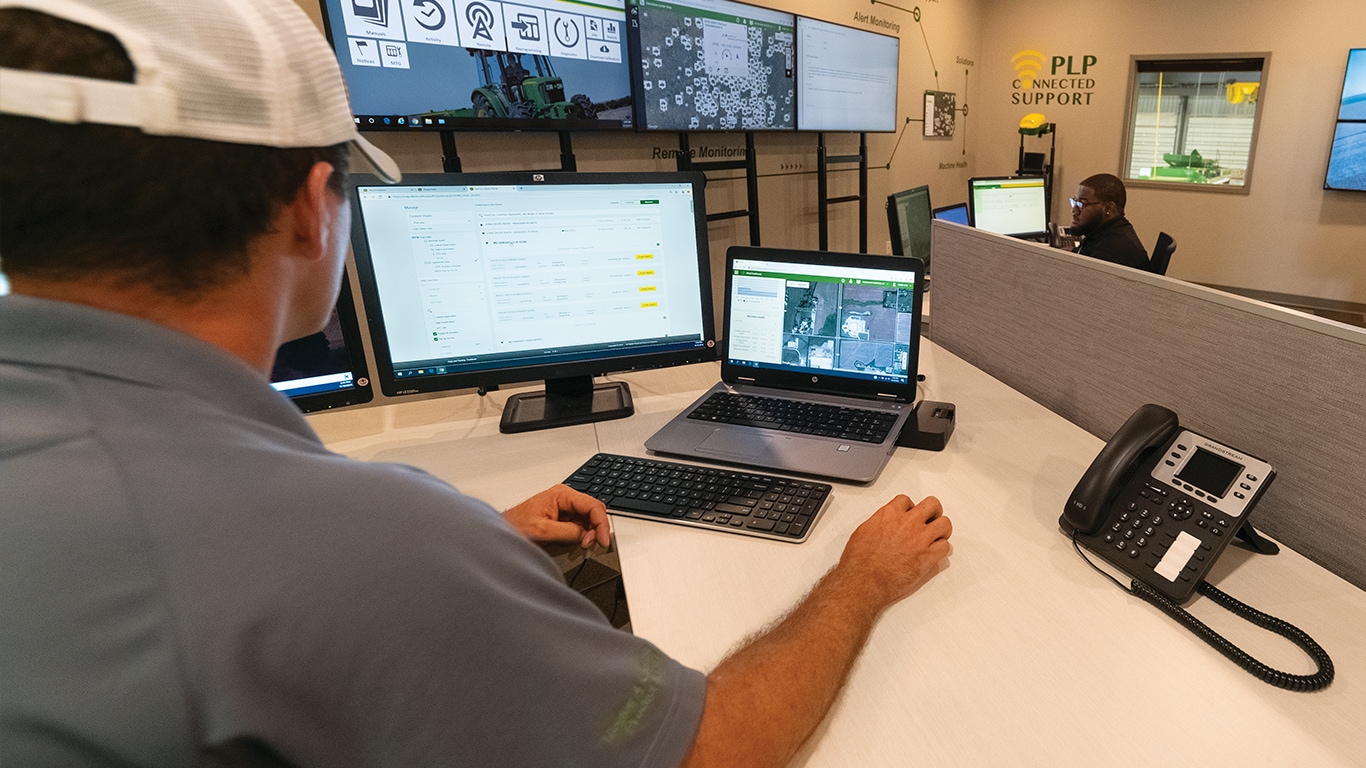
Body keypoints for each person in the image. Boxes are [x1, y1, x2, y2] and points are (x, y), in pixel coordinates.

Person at [0, 1, 953, 766]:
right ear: (306, 208)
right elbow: (710, 750)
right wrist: (858, 584)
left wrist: (472, 545)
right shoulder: (363, 536)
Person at [1070, 173, 1150, 270]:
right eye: (1074, 201)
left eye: (1082, 203)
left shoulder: (1108, 253)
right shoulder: (1106, 232)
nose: (1074, 210)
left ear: (1108, 208)